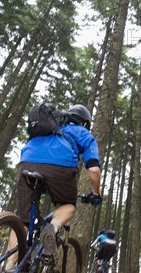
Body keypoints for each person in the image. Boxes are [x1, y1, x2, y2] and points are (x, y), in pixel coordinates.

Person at [17, 104, 102, 264]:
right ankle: (52, 228)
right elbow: (94, 170)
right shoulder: (83, 133)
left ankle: (7, 268)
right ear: (85, 123)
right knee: (67, 205)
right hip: (59, 167)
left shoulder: (51, 125)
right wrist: (95, 194)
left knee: (24, 221)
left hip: (26, 161)